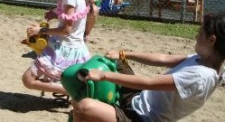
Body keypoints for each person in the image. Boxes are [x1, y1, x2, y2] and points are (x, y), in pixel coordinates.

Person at [72, 12, 225, 122]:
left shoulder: (200, 77)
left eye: (200, 32)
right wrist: (124, 54)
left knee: (83, 107)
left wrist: (103, 75)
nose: (196, 36)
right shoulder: (204, 60)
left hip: (143, 117)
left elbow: (149, 82)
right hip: (141, 98)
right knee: (114, 62)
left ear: (211, 40)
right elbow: (164, 59)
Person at [22, 0, 92, 95]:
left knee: (27, 80)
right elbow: (74, 16)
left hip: (65, 49)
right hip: (77, 47)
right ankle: (71, 90)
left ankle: (73, 92)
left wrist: (41, 30)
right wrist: (55, 14)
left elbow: (66, 30)